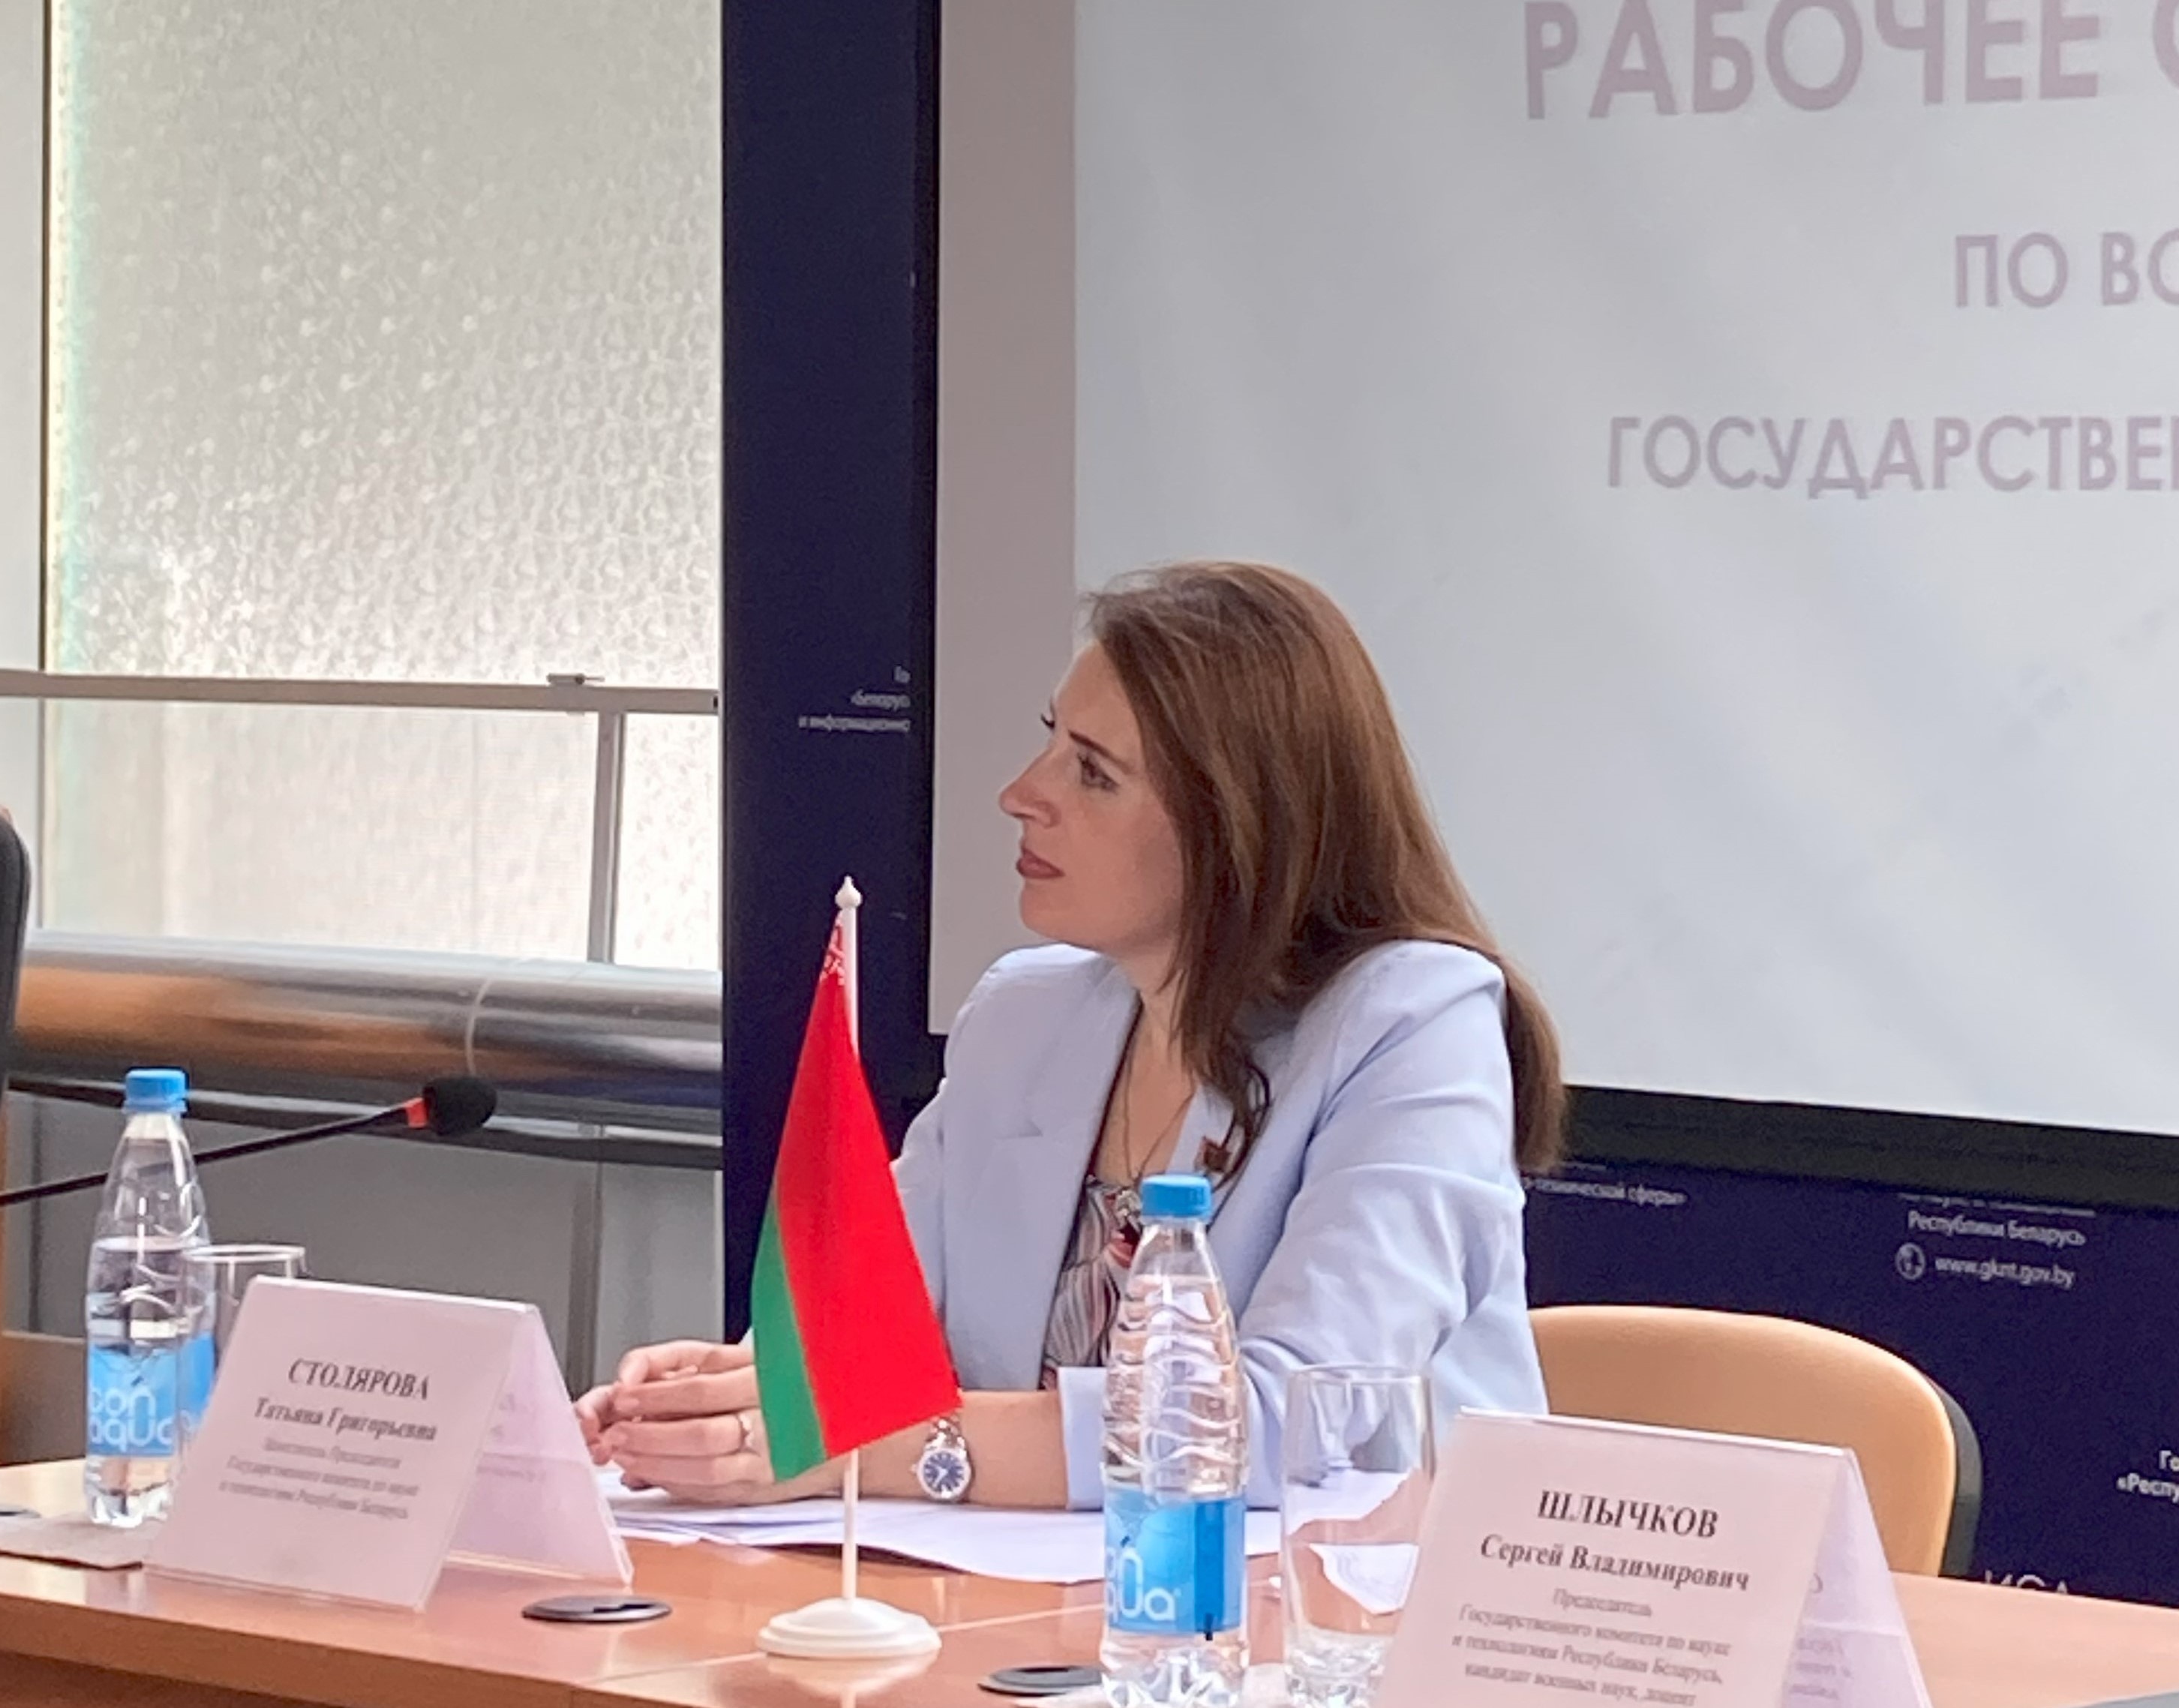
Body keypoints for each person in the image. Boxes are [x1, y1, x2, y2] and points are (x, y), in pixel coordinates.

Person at [576, 560, 1562, 1509]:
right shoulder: (1024, 1015)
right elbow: (867, 1331)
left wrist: (873, 1443)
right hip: (1039, 1605)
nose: (1021, 793)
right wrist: (731, 1400)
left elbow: (1277, 1422)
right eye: (1052, 742)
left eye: (1092, 773)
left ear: (1237, 825)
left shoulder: (1416, 1025)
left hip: (1344, 1607)